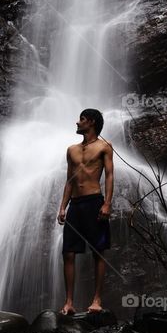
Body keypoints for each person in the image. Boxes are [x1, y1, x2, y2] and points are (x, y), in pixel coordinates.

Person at [57, 108, 114, 315]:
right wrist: (63, 206)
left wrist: (107, 203)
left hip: (94, 201)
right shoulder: (71, 149)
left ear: (91, 122)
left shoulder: (104, 146)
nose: (77, 123)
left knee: (98, 251)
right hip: (75, 204)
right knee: (68, 253)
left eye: (81, 119)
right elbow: (69, 180)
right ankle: (69, 302)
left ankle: (97, 300)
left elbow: (109, 176)